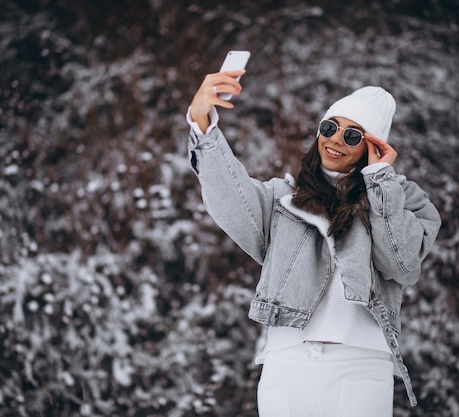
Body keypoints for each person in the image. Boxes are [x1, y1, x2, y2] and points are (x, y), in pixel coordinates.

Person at [185, 69, 441, 417]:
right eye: (329, 127)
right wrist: (203, 125)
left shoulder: (403, 199)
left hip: (361, 366)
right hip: (287, 365)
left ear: (374, 145)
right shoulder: (282, 199)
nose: (335, 140)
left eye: (353, 135)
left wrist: (380, 180)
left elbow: (402, 263)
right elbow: (229, 196)